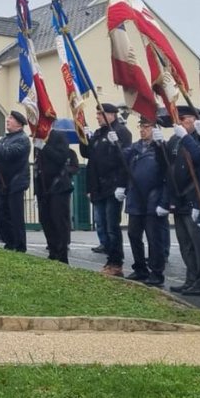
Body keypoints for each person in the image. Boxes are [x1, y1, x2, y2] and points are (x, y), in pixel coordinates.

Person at [162, 106, 200, 296]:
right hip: (178, 198)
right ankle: (191, 278)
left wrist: (194, 199)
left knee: (198, 244)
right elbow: (168, 168)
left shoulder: (199, 140)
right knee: (185, 244)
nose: (182, 123)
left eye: (185, 119)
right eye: (180, 120)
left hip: (193, 196)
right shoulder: (175, 140)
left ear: (195, 120)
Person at [79, 103, 131, 276]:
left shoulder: (121, 132)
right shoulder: (99, 133)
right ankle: (110, 259)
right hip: (99, 187)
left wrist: (122, 185)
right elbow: (89, 156)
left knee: (112, 226)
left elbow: (124, 159)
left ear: (111, 115)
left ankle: (116, 262)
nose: (98, 117)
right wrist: (84, 138)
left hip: (113, 186)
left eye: (101, 114)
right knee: (102, 224)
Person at [125, 116, 171, 286]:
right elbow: (121, 159)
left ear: (155, 128)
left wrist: (164, 201)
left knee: (154, 237)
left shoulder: (161, 147)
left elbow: (167, 172)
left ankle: (156, 272)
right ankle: (140, 268)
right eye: (141, 126)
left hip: (154, 197)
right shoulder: (135, 148)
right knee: (133, 234)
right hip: (136, 197)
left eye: (147, 126)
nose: (142, 130)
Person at [0, 110, 32, 252]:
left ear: (19, 124)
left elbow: (7, 154)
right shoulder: (6, 139)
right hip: (3, 182)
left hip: (16, 182)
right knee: (1, 213)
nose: (7, 120)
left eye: (11, 118)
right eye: (8, 118)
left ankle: (19, 246)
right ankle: (9, 241)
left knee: (15, 215)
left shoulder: (22, 139)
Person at [34, 128, 77, 263]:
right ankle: (52, 252)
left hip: (58, 187)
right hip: (43, 188)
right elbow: (38, 166)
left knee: (59, 221)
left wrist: (44, 147)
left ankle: (62, 255)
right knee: (46, 220)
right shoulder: (38, 138)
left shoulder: (58, 136)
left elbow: (61, 157)